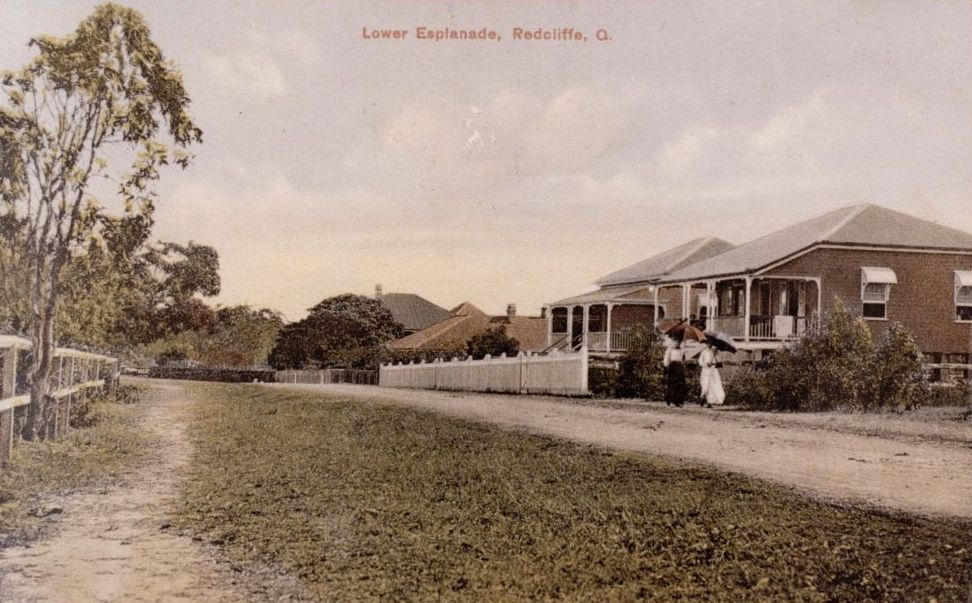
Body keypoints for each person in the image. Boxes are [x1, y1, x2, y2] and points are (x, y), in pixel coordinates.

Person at [662, 335, 687, 407]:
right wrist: (665, 366)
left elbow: (683, 359)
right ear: (673, 341)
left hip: (679, 366)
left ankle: (678, 400)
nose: (678, 343)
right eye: (676, 341)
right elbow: (666, 358)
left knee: (680, 383)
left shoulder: (682, 349)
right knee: (672, 383)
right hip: (673, 366)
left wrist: (684, 357)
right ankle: (669, 399)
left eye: (679, 342)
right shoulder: (670, 349)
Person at [698, 343, 726, 407]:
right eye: (708, 343)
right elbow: (700, 362)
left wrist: (716, 356)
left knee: (714, 386)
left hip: (713, 370)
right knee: (705, 386)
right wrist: (706, 364)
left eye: (711, 343)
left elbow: (719, 362)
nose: (709, 345)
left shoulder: (715, 352)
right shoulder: (704, 352)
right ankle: (702, 397)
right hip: (706, 370)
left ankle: (710, 402)